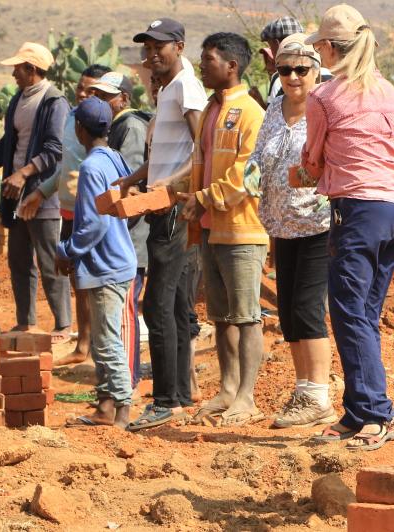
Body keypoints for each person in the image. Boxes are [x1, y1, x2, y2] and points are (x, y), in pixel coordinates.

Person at [297, 4, 394, 451]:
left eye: (318, 47)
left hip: (358, 211)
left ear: (328, 47)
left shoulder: (325, 97)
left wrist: (305, 172)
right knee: (364, 314)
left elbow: (312, 161)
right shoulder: (389, 91)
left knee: (348, 312)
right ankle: (359, 410)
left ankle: (376, 414)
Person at [118, 18, 208, 431]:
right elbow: (164, 156)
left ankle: (165, 401)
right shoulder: (170, 87)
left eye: (160, 47)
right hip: (163, 206)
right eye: (148, 47)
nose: (152, 54)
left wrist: (169, 186)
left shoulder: (186, 85)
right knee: (171, 305)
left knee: (156, 305)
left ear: (180, 46)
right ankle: (180, 396)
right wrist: (134, 179)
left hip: (173, 209)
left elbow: (202, 149)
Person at [243, 34, 334, 428]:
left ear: (316, 70)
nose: (293, 76)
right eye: (285, 69)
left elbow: (336, 159)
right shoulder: (275, 108)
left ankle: (319, 395)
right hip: (281, 224)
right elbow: (258, 153)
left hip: (317, 222)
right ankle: (303, 392)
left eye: (301, 69)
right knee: (289, 313)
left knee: (307, 307)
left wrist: (320, 187)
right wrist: (250, 176)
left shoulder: (325, 107)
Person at [177, 32, 267, 427]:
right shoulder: (211, 110)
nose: (202, 65)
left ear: (231, 66)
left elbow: (248, 175)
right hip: (211, 230)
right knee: (222, 316)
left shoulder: (251, 112)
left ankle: (247, 397)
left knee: (246, 317)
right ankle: (228, 389)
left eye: (208, 59)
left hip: (243, 230)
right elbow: (202, 164)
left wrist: (204, 198)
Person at [0, 42, 72, 343]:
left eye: (18, 68)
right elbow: (6, 147)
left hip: (42, 195)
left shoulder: (54, 102)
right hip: (15, 196)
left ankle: (63, 325)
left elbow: (56, 149)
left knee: (50, 262)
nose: (13, 73)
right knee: (19, 261)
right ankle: (26, 322)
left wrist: (24, 173)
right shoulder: (18, 100)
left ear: (32, 69)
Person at [20, 63, 111, 362]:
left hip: (94, 214)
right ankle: (83, 345)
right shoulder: (73, 118)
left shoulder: (103, 126)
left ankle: (102, 350)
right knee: (78, 280)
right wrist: (41, 192)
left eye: (90, 90)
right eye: (80, 88)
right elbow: (66, 169)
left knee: (97, 282)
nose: (82, 94)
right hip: (69, 212)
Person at [57, 96, 137, 429]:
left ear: (79, 128)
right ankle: (105, 408)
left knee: (105, 341)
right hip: (119, 257)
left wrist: (67, 249)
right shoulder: (114, 157)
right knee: (105, 339)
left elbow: (94, 223)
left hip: (105, 264)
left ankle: (122, 410)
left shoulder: (91, 167)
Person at [90, 71, 152, 391]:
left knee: (125, 312)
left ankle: (126, 383)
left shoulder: (130, 127)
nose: (100, 102)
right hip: (121, 235)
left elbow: (127, 187)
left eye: (106, 97)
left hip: (130, 238)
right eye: (97, 96)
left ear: (124, 99)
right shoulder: (117, 126)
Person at [260, 16, 304, 100]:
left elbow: (274, 108)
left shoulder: (280, 78)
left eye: (270, 45)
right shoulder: (319, 71)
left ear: (277, 44)